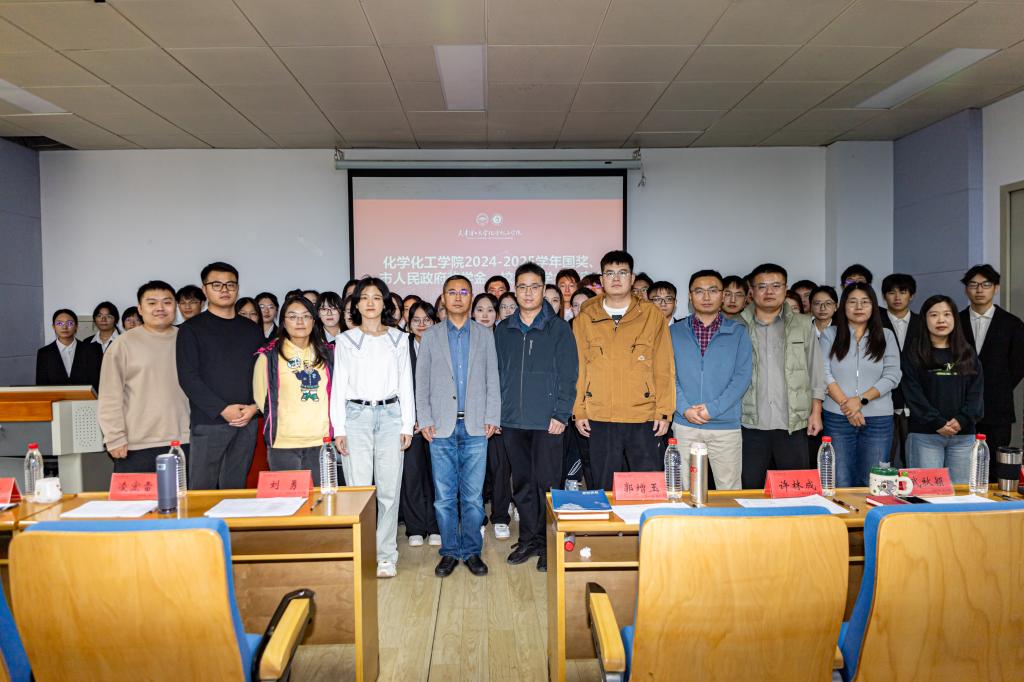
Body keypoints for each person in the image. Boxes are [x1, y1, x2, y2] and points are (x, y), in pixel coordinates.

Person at [415, 274, 500, 579]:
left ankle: (472, 550)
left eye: (464, 292)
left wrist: (492, 416)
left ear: (471, 297)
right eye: (452, 292)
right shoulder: (431, 336)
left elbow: (492, 379)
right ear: (443, 297)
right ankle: (450, 551)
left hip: (476, 426)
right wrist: (425, 419)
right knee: (444, 497)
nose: (458, 297)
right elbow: (421, 381)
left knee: (474, 497)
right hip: (440, 428)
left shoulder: (484, 335)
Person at [495, 262, 578, 571]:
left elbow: (569, 374)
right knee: (522, 484)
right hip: (512, 420)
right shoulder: (504, 329)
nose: (528, 293)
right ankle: (528, 539)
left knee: (548, 484)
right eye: (522, 287)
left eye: (534, 287)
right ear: (515, 291)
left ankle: (547, 542)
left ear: (544, 289)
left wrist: (561, 413)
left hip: (548, 422)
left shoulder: (558, 329)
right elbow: (496, 374)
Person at [331, 277, 414, 579]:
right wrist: (339, 428)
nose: (370, 302)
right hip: (356, 416)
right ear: (355, 304)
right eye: (364, 297)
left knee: (389, 491)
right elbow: (338, 386)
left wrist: (407, 424)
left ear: (385, 303)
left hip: (391, 415)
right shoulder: (346, 340)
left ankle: (386, 555)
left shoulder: (399, 339)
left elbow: (406, 383)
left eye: (376, 297)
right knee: (359, 491)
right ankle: (362, 553)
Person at [573, 250, 675, 490]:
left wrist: (664, 411)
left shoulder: (651, 315)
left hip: (642, 416)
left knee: (645, 487)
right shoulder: (586, 317)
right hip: (600, 416)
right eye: (609, 273)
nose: (616, 278)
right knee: (604, 487)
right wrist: (579, 410)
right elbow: (579, 368)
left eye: (622, 272)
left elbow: (664, 367)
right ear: (602, 279)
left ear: (632, 278)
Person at [175, 262, 265, 490]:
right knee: (202, 489)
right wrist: (222, 409)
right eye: (217, 285)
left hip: (247, 420)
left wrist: (254, 408)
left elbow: (262, 374)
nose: (225, 289)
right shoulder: (191, 329)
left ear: (237, 288)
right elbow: (188, 377)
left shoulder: (252, 329)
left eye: (230, 284)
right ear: (204, 289)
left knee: (235, 489)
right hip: (209, 422)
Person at [737, 263, 825, 489]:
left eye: (776, 286)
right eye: (762, 286)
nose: (769, 292)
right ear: (751, 291)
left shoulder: (803, 324)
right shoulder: (737, 325)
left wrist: (816, 412)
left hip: (792, 422)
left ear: (786, 289)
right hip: (749, 423)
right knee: (750, 489)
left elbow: (815, 370)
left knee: (795, 489)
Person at [670, 270, 752, 490]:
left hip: (725, 426)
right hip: (685, 423)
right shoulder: (674, 332)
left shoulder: (738, 332)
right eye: (699, 291)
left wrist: (712, 409)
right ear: (690, 296)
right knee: (684, 490)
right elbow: (668, 376)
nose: (706, 297)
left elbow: (742, 377)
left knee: (729, 491)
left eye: (713, 291)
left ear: (722, 295)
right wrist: (684, 408)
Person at [98, 281, 190, 473]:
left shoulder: (188, 339)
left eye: (167, 302)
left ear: (175, 306)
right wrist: (114, 437)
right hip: (136, 445)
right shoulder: (122, 344)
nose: (160, 308)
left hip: (185, 441)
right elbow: (109, 396)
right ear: (140, 308)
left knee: (185, 493)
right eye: (152, 303)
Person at [820, 283, 901, 487]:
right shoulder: (830, 334)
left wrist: (861, 401)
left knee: (874, 481)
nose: (859, 307)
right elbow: (823, 373)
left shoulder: (886, 335)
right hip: (837, 417)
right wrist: (848, 406)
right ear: (843, 306)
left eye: (865, 302)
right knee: (839, 480)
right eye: (852, 302)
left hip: (878, 419)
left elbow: (892, 375)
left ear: (873, 306)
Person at [902, 295, 984, 483]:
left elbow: (976, 392)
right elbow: (913, 393)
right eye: (934, 315)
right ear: (924, 319)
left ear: (955, 318)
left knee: (961, 495)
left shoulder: (967, 353)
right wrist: (936, 421)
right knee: (927, 495)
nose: (941, 320)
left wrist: (962, 420)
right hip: (925, 435)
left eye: (947, 314)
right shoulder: (914, 353)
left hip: (963, 436)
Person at [254, 295, 334, 481]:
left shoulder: (328, 353)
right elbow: (260, 398)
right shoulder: (269, 356)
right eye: (293, 316)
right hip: (283, 442)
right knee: (288, 497)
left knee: (320, 496)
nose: (300, 322)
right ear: (283, 321)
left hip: (320, 441)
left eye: (306, 316)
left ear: (314, 321)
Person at [959, 264, 1024, 468]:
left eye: (986, 284)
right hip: (959, 406)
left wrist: (999, 385)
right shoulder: (956, 322)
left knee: (995, 465)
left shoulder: (1012, 323)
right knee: (962, 465)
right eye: (973, 285)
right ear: (966, 289)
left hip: (997, 407)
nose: (979, 290)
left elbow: (1019, 364)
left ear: (996, 288)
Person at [401, 301, 441, 548]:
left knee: (438, 477)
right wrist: (411, 419)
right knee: (412, 476)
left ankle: (436, 526)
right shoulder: (400, 347)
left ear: (435, 322)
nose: (422, 324)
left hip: (437, 422)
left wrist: (428, 417)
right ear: (409, 323)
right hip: (409, 423)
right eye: (416, 320)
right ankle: (415, 527)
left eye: (427, 319)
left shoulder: (443, 345)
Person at [881, 273, 923, 467]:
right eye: (891, 292)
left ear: (912, 295)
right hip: (882, 398)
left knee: (913, 459)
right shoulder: (874, 322)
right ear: (884, 296)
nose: (897, 297)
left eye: (903, 292)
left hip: (915, 399)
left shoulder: (923, 323)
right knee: (883, 457)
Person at [36, 309, 102, 390]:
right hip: (55, 397)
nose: (64, 327)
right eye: (59, 323)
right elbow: (41, 386)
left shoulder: (91, 350)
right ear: (53, 327)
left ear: (76, 326)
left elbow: (97, 383)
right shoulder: (44, 353)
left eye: (70, 323)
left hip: (85, 397)